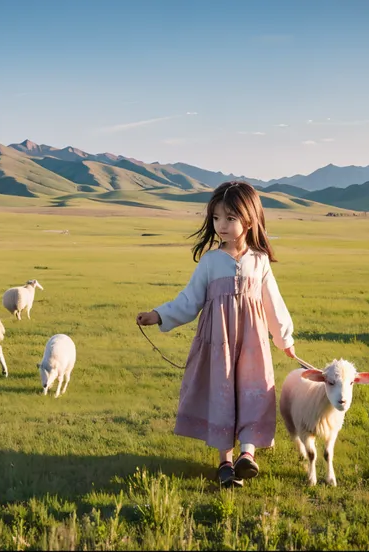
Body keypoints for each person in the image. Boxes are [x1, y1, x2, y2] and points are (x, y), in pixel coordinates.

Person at [136, 181, 297, 488]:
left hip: (252, 344)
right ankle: (225, 461)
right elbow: (189, 300)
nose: (221, 225)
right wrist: (158, 314)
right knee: (222, 394)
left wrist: (284, 339)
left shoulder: (259, 261)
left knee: (255, 391)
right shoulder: (210, 262)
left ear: (248, 220)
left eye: (230, 218)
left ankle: (247, 455)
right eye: (216, 218)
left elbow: (273, 303)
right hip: (218, 343)